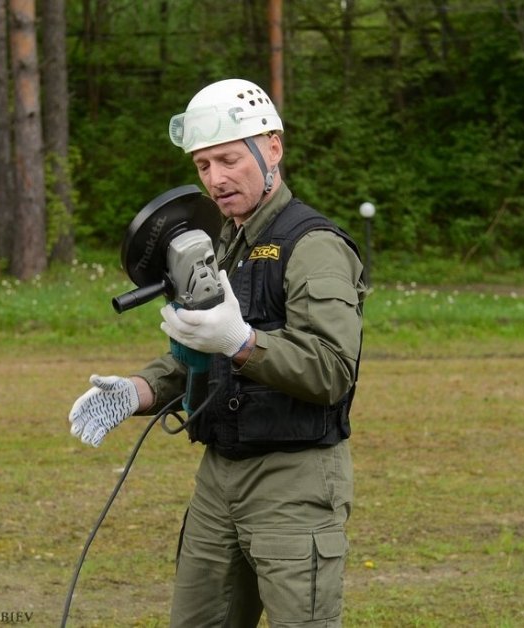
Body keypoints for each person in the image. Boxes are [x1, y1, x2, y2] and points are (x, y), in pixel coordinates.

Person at [68, 78, 366, 627]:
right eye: (203, 166)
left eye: (228, 159)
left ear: (272, 147)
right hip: (218, 478)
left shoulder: (313, 245)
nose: (216, 180)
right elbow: (194, 355)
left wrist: (243, 344)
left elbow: (331, 371)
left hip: (293, 481)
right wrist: (135, 391)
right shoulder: (222, 243)